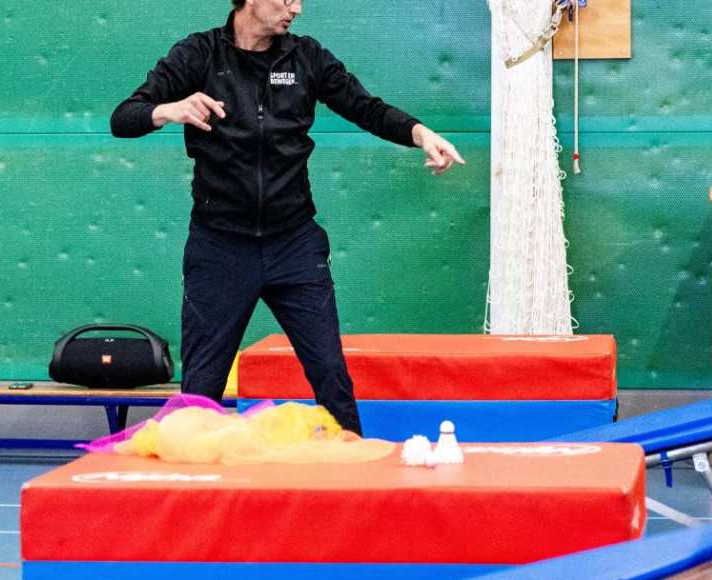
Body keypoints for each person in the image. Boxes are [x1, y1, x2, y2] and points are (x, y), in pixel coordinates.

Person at [109, 0, 465, 433]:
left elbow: (366, 108)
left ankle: (350, 479)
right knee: (200, 390)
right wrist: (170, 109)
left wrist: (420, 133)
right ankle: (192, 492)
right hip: (219, 248)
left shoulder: (306, 57)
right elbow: (123, 118)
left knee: (331, 376)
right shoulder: (198, 54)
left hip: (294, 245)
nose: (296, 8)